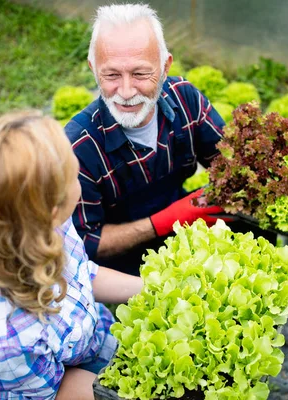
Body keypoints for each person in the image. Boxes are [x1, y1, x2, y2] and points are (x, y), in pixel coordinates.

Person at [0, 111, 143, 400]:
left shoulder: (42, 225)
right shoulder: (2, 341)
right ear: (51, 208)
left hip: (89, 338)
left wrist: (149, 289)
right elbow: (59, 394)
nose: (78, 170)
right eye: (73, 172)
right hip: (66, 387)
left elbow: (83, 273)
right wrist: (130, 387)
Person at [65, 4, 228, 275]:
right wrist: (162, 222)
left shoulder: (184, 99)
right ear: (93, 69)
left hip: (183, 225)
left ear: (165, 67)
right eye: (111, 75)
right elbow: (86, 242)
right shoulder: (77, 148)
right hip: (121, 264)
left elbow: (228, 167)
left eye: (140, 74)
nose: (127, 92)